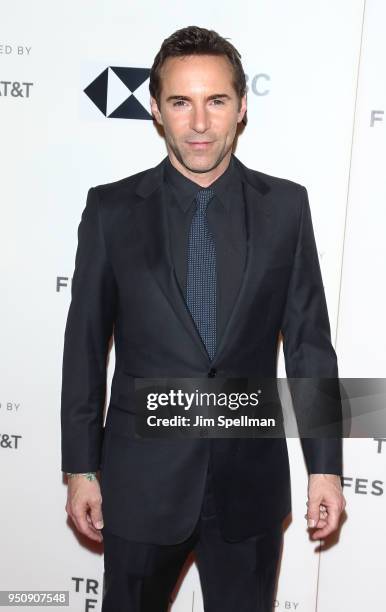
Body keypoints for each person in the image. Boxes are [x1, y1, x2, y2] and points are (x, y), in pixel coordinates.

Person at [61, 25, 346, 612]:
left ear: (241, 107)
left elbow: (310, 347)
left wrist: (326, 468)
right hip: (142, 483)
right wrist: (81, 469)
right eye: (180, 102)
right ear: (156, 111)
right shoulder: (112, 211)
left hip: (250, 487)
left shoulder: (286, 208)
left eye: (215, 101)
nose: (198, 123)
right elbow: (85, 348)